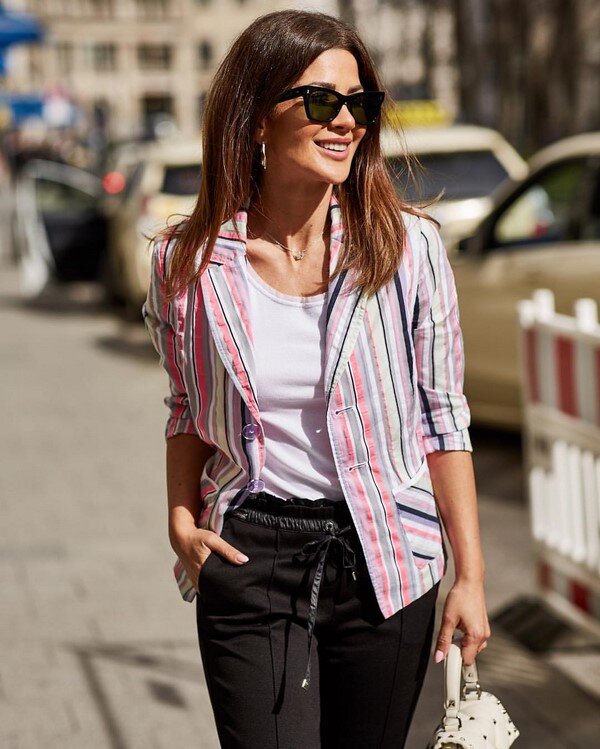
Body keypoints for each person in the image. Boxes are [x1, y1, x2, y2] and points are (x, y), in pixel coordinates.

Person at [142, 9, 490, 749]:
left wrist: (470, 575)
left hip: (387, 559)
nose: (346, 121)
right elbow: (187, 407)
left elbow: (443, 417)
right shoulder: (187, 265)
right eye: (322, 100)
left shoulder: (409, 251)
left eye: (360, 103)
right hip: (251, 557)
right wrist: (179, 516)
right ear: (256, 119)